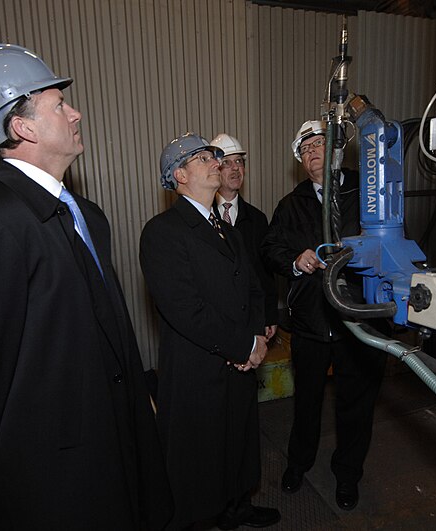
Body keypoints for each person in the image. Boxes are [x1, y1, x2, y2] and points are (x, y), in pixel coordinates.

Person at [0, 44, 172, 530]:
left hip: (114, 442)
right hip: (55, 473)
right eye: (59, 104)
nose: (75, 113)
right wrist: (2, 456)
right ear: (23, 127)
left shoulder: (83, 214)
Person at [140, 133, 280, 530]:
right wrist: (242, 345)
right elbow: (184, 309)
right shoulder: (162, 231)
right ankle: (200, 517)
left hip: (238, 361)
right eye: (203, 158)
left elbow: (253, 287)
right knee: (198, 454)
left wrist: (257, 340)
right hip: (198, 366)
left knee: (236, 439)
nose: (216, 163)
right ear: (179, 175)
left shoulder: (226, 227)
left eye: (215, 157)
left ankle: (237, 507)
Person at [260, 120, 387, 511]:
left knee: (356, 405)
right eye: (307, 148)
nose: (314, 151)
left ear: (337, 151)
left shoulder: (368, 193)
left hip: (358, 322)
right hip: (312, 322)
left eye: (320, 144)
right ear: (300, 161)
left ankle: (347, 475)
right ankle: (299, 464)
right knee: (307, 402)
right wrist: (296, 261)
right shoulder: (290, 204)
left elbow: (391, 241)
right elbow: (270, 249)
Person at [209, 134, 277, 340]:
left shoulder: (257, 218)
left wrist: (269, 314)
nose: (235, 168)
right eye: (227, 163)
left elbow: (265, 271)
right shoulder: (203, 217)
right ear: (215, 169)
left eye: (239, 161)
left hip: (250, 316)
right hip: (215, 319)